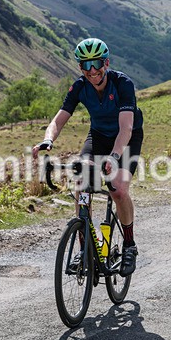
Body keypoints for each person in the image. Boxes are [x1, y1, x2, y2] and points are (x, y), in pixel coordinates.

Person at [32, 38, 144, 277]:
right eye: (86, 65)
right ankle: (84, 251)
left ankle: (129, 245)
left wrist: (114, 157)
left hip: (127, 138)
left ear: (106, 62)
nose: (92, 71)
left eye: (96, 63)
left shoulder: (122, 84)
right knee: (83, 182)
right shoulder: (80, 86)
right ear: (80, 67)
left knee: (119, 191)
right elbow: (59, 119)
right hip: (99, 136)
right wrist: (48, 139)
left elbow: (125, 128)